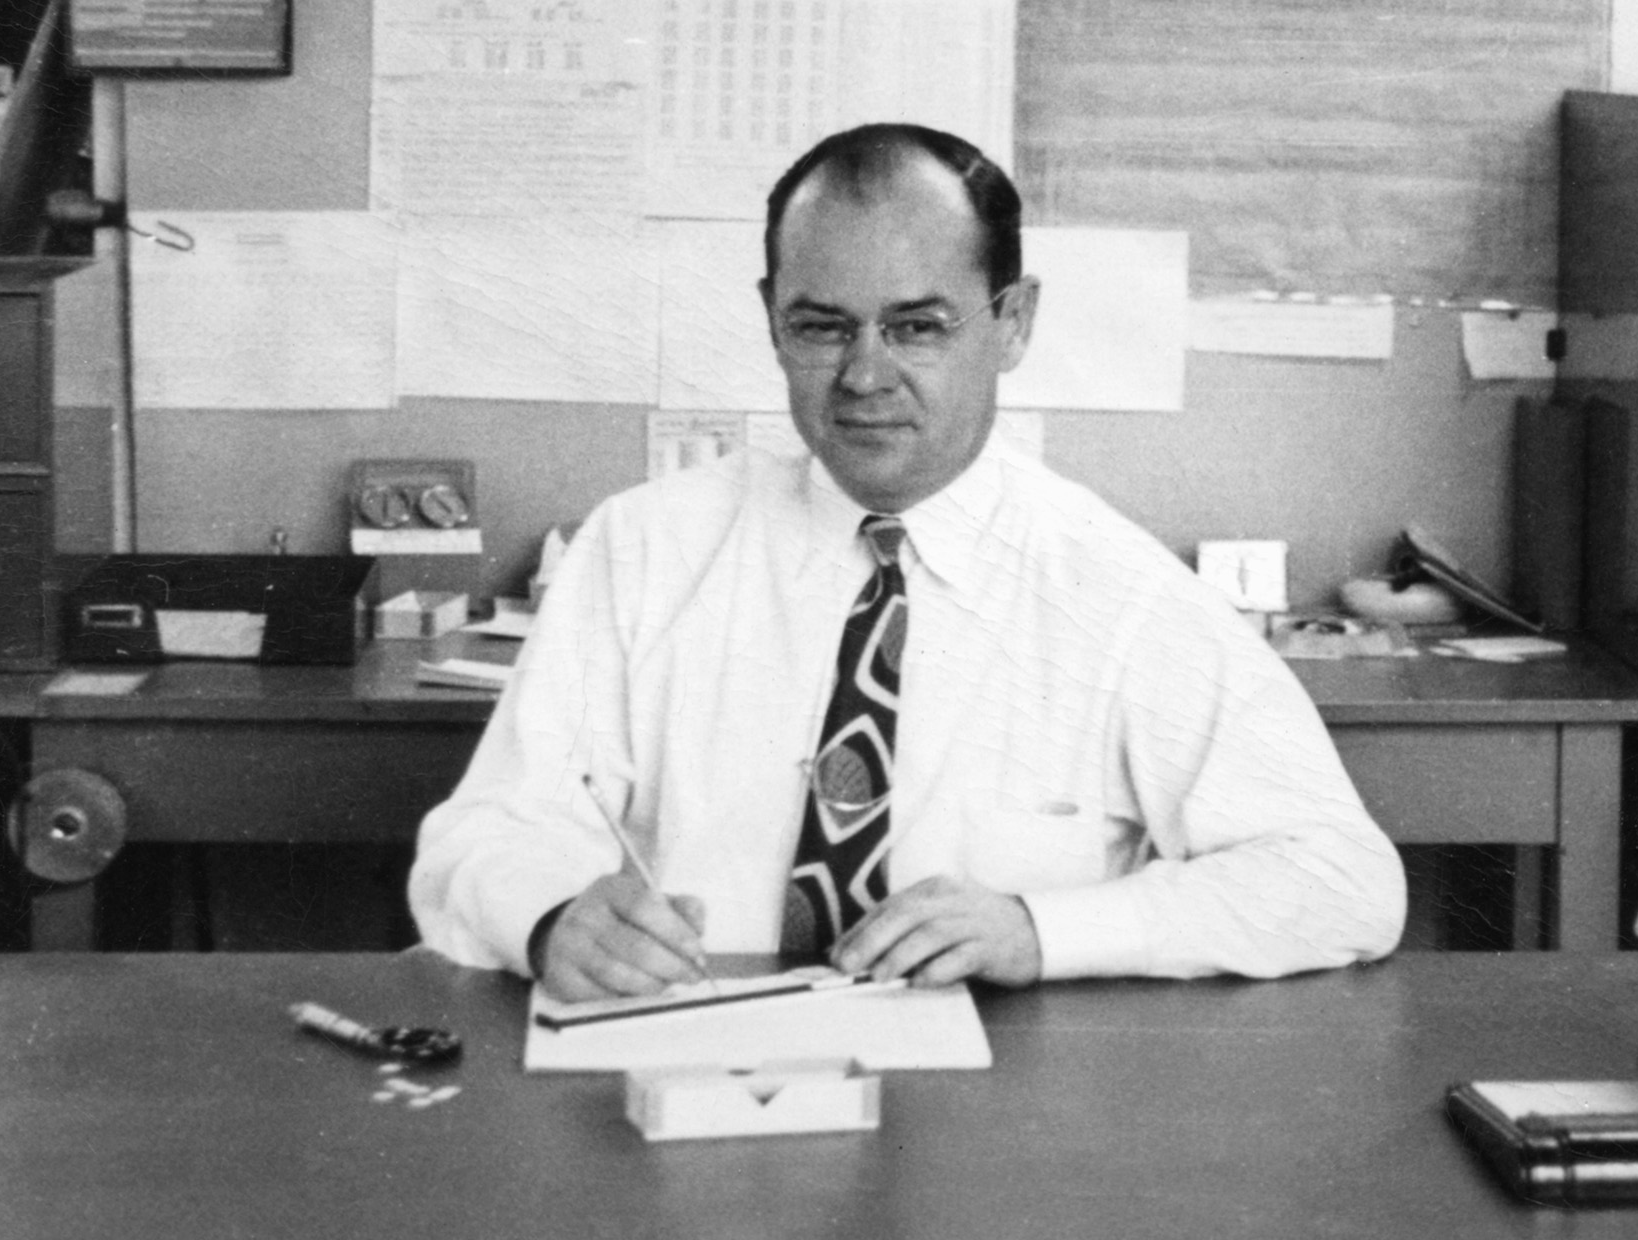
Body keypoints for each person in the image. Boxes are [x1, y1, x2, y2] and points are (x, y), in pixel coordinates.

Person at [408, 123, 1405, 1001]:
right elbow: (477, 837)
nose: (865, 374)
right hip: (688, 1075)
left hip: (997, 1123)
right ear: (771, 316)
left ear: (1014, 322)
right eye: (821, 326)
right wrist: (550, 918)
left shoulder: (1120, 590)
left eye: (919, 326)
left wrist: (1041, 929)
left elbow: (1341, 878)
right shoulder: (641, 549)